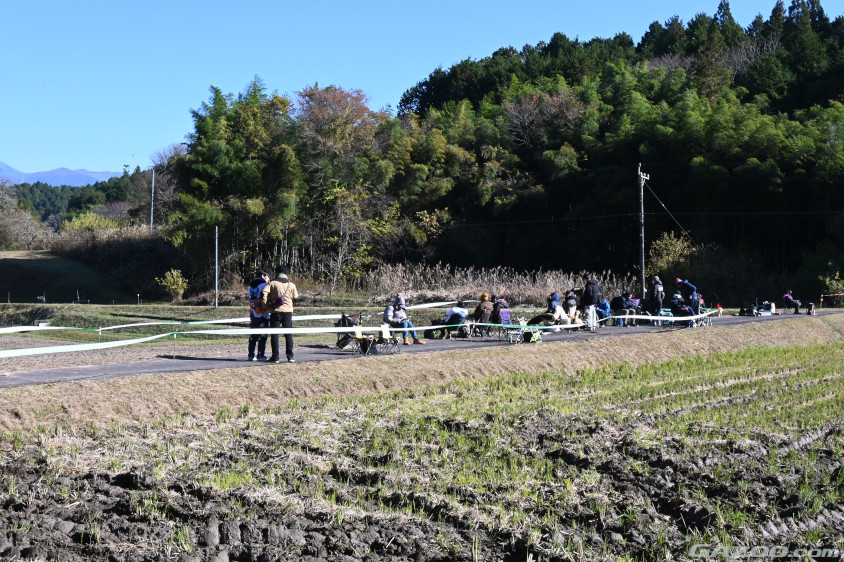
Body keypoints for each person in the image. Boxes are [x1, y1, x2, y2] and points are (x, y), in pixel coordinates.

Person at [260, 264, 299, 363]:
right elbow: (296, 298)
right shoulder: (291, 284)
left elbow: (263, 294)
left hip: (275, 312)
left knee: (275, 335)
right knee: (288, 335)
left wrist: (267, 306)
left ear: (277, 272)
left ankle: (275, 357)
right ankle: (290, 357)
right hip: (288, 312)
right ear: (286, 273)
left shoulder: (272, 283)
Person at [247, 269, 270, 361]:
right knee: (263, 335)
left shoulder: (250, 285)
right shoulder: (264, 285)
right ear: (263, 276)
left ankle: (251, 354)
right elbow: (266, 297)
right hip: (263, 311)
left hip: (253, 310)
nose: (268, 279)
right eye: (268, 277)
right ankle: (260, 354)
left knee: (253, 334)